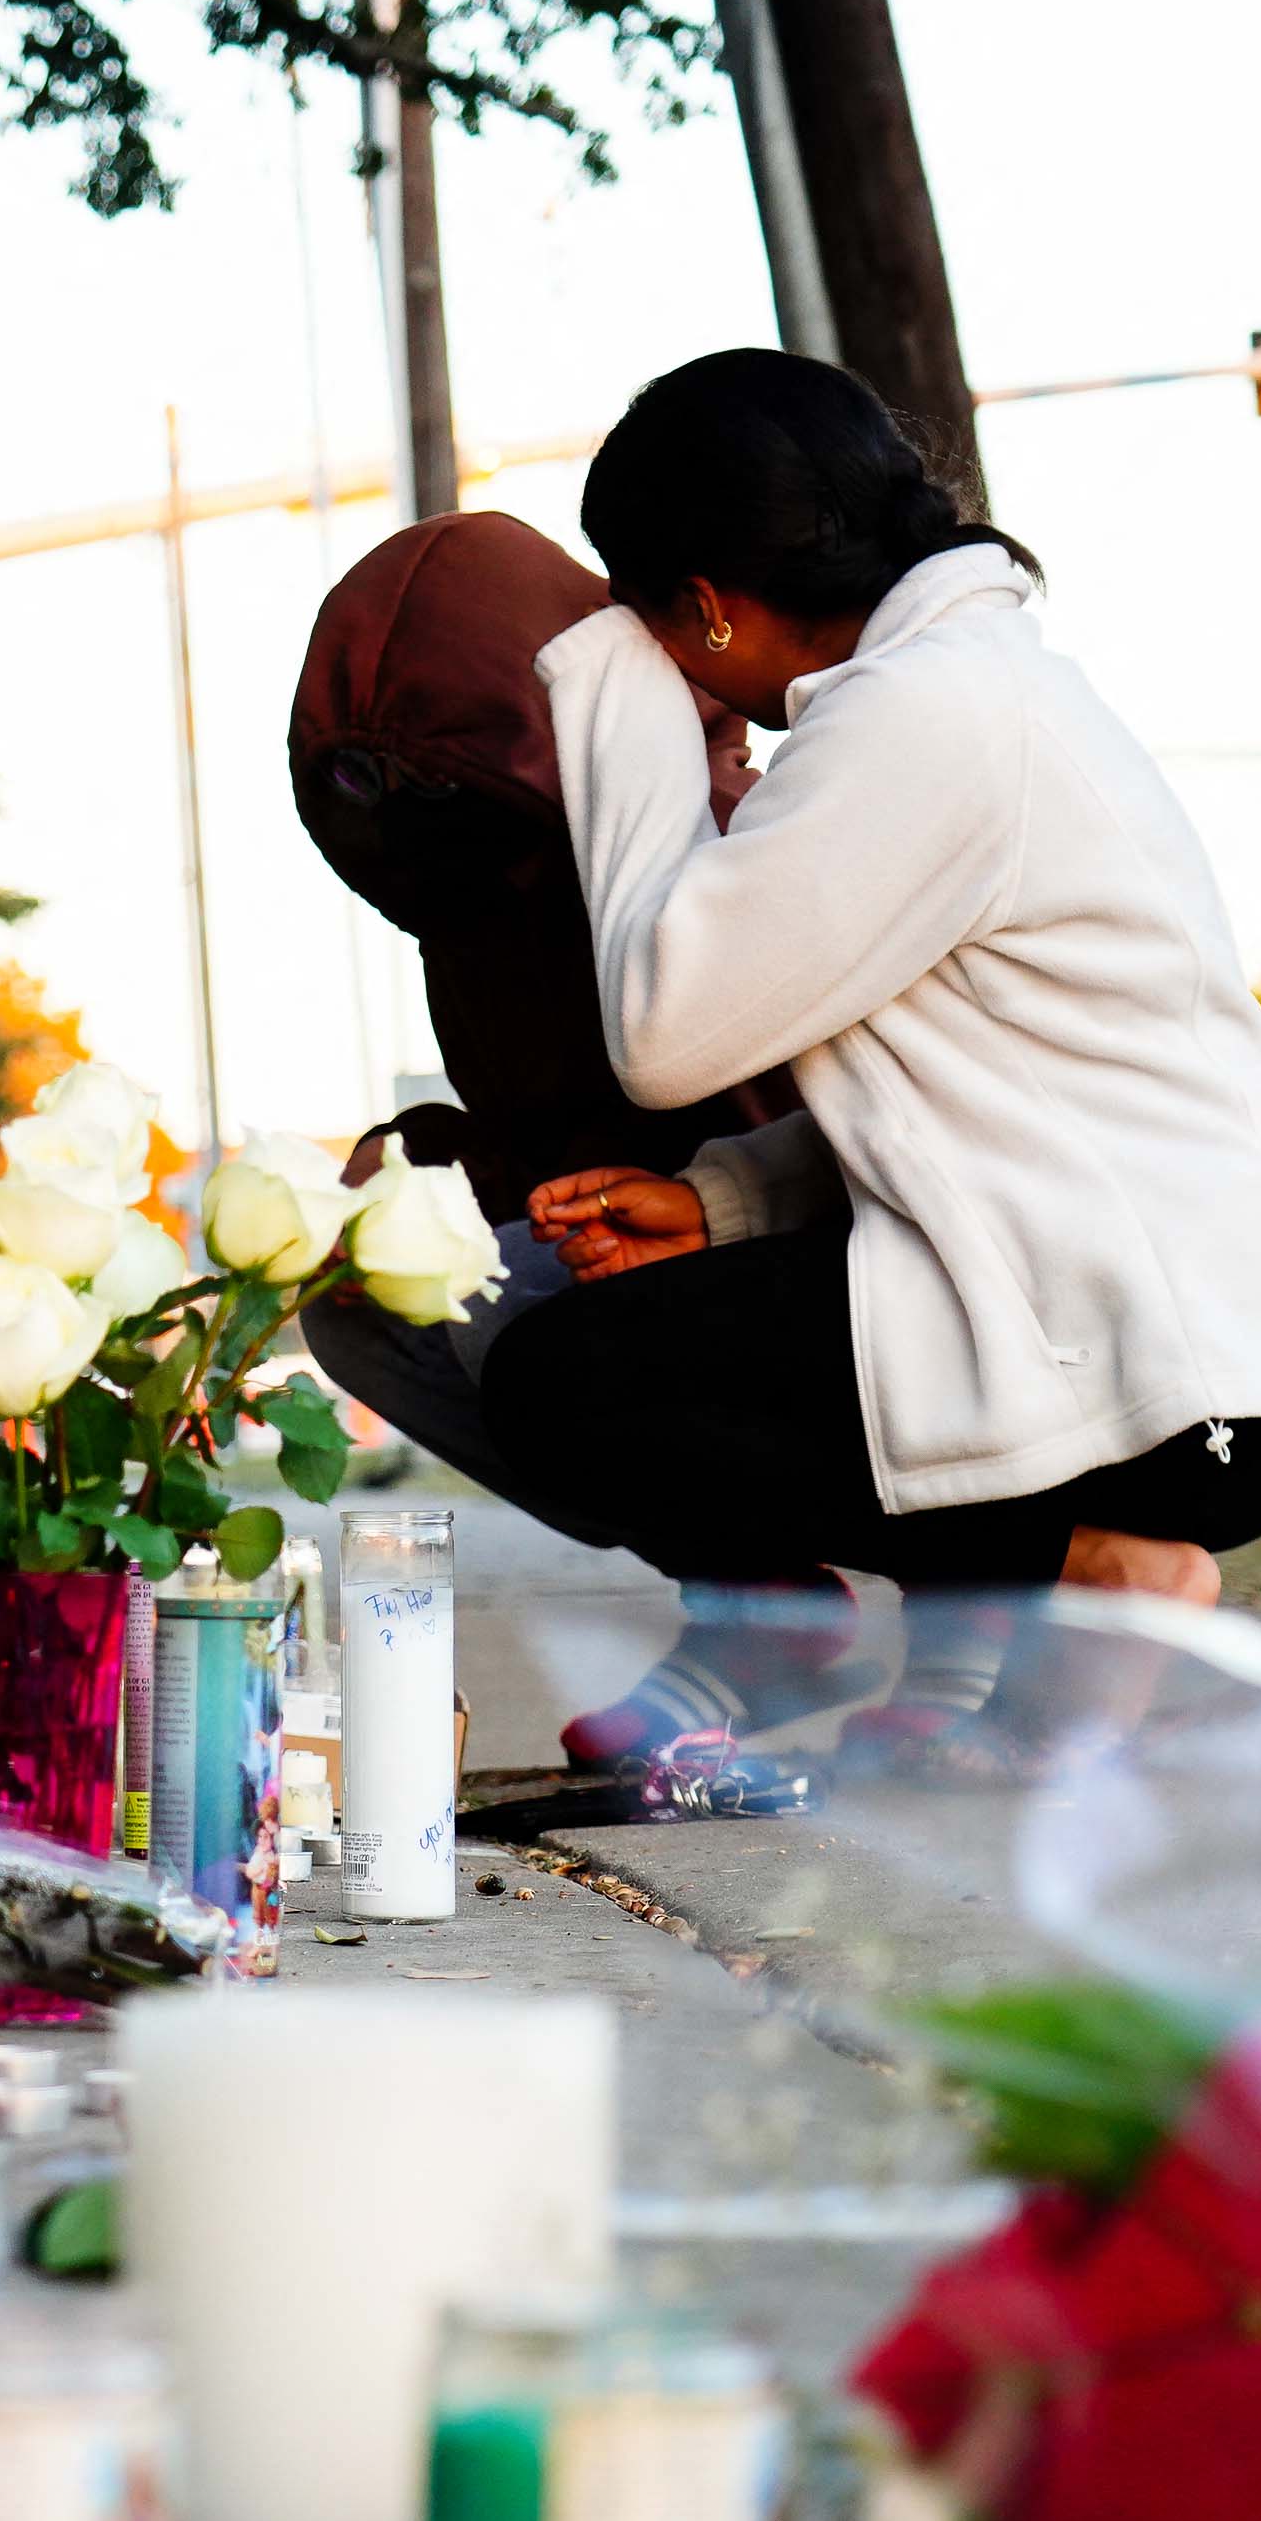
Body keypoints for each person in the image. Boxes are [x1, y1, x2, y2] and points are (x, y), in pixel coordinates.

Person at [482, 350, 1261, 1693]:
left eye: (649, 614)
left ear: (708, 608)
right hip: (1166, 1338)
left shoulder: (931, 714)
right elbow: (973, 1084)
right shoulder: (956, 691)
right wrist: (723, 1203)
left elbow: (663, 1031)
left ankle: (1102, 1572)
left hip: (1177, 1377)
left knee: (562, 1385)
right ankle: (1027, 1644)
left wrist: (610, 684)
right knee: (612, 1351)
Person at [289, 511, 967, 1767]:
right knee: (356, 1286)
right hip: (651, 1245)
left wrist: (709, 1214)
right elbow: (554, 1124)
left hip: (847, 1254)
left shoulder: (742, 825)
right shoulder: (475, 912)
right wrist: (424, 1182)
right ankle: (755, 1597)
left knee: (619, 1350)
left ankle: (970, 1610)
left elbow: (868, 1124)